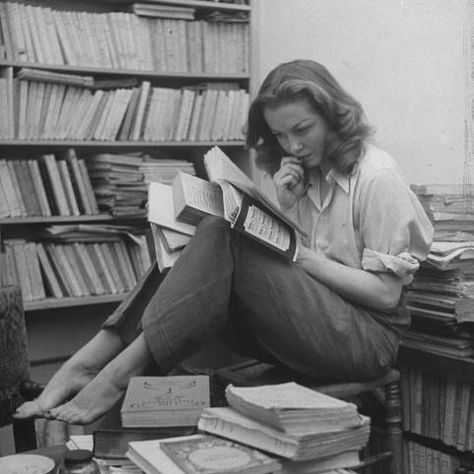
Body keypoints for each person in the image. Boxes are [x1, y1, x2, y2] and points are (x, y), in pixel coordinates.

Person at [15, 59, 433, 425]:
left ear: (334, 116)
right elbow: (288, 279)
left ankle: (111, 371)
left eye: (303, 130)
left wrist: (301, 256)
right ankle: (89, 362)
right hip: (311, 326)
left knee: (223, 232)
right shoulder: (305, 172)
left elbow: (384, 293)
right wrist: (285, 209)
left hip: (365, 341)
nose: (293, 146)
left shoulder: (377, 177)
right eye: (280, 135)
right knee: (201, 239)